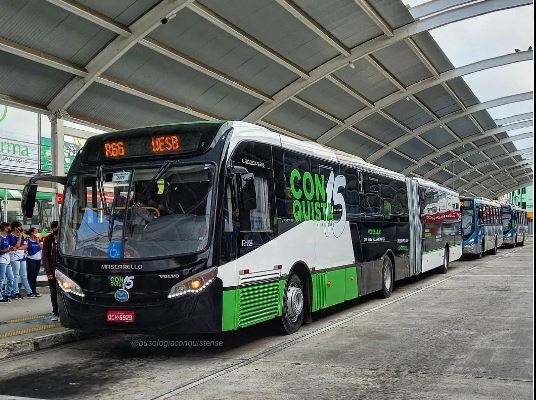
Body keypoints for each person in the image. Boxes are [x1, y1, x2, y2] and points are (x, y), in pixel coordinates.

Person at [8, 221, 34, 299]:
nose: (21, 228)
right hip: (14, 257)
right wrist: (19, 238)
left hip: (22, 257)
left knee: (23, 275)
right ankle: (15, 292)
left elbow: (25, 246)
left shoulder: (23, 236)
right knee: (15, 275)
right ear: (15, 228)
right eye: (20, 227)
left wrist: (18, 248)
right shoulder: (10, 236)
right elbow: (17, 245)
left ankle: (29, 292)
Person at [43, 221, 59, 320]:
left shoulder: (66, 237)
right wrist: (48, 272)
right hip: (52, 271)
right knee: (54, 292)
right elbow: (45, 256)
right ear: (54, 229)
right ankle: (55, 312)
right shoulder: (48, 239)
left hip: (64, 270)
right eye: (57, 228)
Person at [26, 227, 43, 297]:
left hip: (38, 260)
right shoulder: (28, 240)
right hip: (31, 259)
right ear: (32, 233)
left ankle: (34, 291)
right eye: (36, 231)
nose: (37, 233)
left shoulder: (39, 240)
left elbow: (43, 248)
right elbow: (25, 249)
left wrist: (38, 242)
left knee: (35, 276)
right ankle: (29, 291)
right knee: (30, 275)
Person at [0, 222, 14, 302]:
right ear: (5, 228)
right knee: (1, 279)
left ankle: (7, 294)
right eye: (8, 227)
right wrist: (5, 250)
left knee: (11, 278)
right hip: (1, 260)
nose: (10, 229)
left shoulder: (8, 237)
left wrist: (10, 248)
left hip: (7, 260)